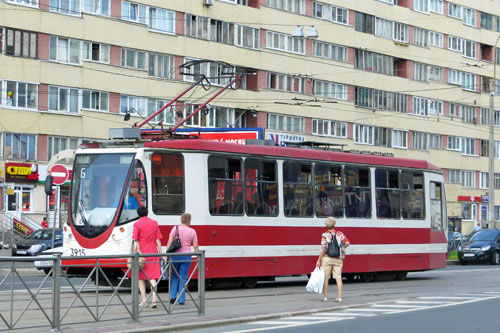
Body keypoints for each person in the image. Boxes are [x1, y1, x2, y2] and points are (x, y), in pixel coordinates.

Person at [132, 206, 162, 308]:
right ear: (147, 213)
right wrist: (160, 252)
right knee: (152, 277)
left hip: (141, 254)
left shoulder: (137, 224)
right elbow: (158, 239)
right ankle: (154, 300)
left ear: (138, 214)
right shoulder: (154, 223)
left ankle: (144, 299)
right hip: (153, 252)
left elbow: (135, 239)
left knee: (140, 278)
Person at [166, 213, 199, 305]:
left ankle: (173, 297)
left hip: (175, 256)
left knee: (174, 277)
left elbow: (169, 242)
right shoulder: (192, 231)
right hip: (186, 257)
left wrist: (167, 254)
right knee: (183, 278)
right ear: (189, 220)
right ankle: (181, 300)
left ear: (181, 220)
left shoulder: (175, 228)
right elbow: (195, 246)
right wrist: (197, 256)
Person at [316, 217, 350, 303]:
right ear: (334, 224)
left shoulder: (324, 235)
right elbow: (347, 243)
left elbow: (323, 248)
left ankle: (325, 297)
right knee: (338, 278)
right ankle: (339, 297)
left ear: (326, 225)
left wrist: (319, 260)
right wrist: (341, 248)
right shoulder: (340, 233)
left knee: (326, 278)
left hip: (327, 258)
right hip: (338, 259)